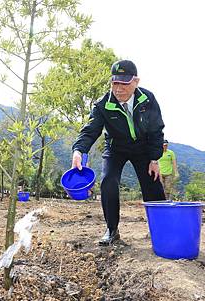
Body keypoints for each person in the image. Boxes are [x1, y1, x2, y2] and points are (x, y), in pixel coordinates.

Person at [71, 59, 166, 245]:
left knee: (152, 183)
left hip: (143, 147)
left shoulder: (148, 99)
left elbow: (156, 130)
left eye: (124, 83)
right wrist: (78, 150)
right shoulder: (103, 104)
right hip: (116, 148)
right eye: (115, 83)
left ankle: (162, 228)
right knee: (108, 181)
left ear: (136, 81)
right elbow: (90, 130)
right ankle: (112, 229)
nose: (119, 89)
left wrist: (154, 158)